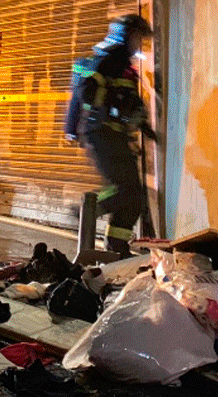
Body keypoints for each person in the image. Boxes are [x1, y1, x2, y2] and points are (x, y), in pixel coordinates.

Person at [64, 14, 157, 256]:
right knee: (125, 190)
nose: (139, 44)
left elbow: (129, 101)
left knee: (134, 196)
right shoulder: (107, 60)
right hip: (101, 134)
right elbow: (86, 91)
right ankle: (86, 209)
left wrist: (144, 126)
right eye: (137, 38)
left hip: (115, 137)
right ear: (125, 36)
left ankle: (117, 246)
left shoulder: (124, 67)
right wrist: (107, 109)